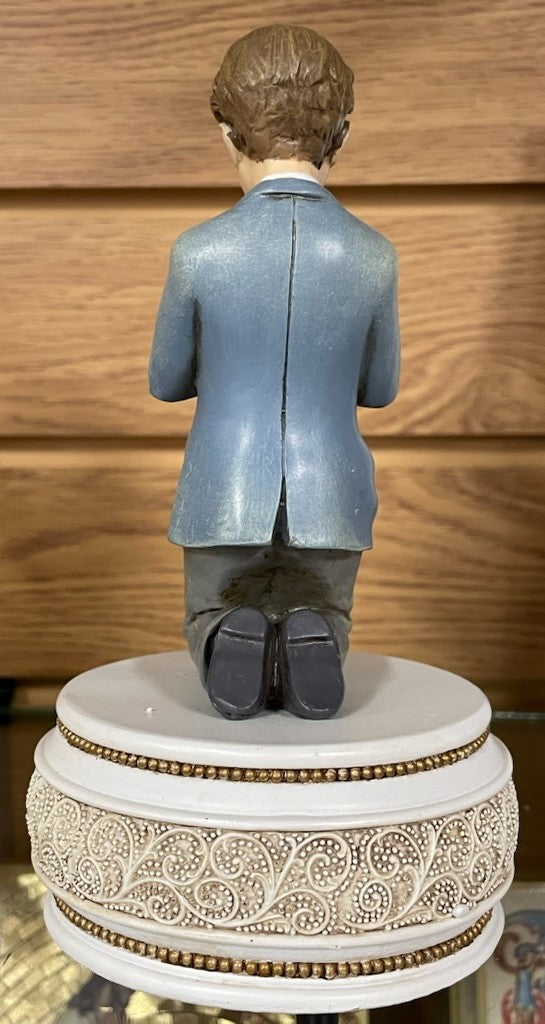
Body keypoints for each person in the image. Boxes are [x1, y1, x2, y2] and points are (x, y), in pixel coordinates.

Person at [149, 24, 400, 721]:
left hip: (222, 487)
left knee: (209, 606)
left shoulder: (198, 251)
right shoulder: (374, 255)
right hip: (332, 491)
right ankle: (313, 637)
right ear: (341, 135)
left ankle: (227, 635)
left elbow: (165, 380)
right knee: (328, 606)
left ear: (227, 131)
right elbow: (381, 389)